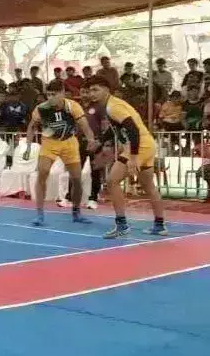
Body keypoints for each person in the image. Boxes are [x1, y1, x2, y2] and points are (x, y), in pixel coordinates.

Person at [87, 76, 167, 238]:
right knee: (149, 186)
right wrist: (100, 141)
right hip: (148, 145)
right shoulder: (111, 105)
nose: (92, 94)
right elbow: (116, 129)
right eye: (90, 91)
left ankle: (122, 225)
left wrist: (133, 158)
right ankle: (160, 225)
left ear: (106, 90)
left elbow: (133, 130)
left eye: (95, 90)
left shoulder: (114, 107)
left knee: (112, 181)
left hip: (139, 146)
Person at [23, 81, 98, 226]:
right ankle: (39, 214)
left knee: (76, 179)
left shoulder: (72, 106)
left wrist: (90, 139)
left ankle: (76, 212)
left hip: (69, 143)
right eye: (48, 94)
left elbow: (84, 125)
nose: (51, 98)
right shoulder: (41, 108)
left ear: (62, 93)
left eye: (54, 94)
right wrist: (28, 146)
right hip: (49, 143)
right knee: (42, 172)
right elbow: (32, 127)